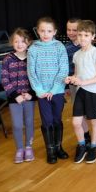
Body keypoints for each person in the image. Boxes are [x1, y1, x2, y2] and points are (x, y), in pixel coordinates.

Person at [27, 17, 69, 164]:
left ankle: (58, 147)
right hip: (42, 93)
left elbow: (63, 69)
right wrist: (40, 90)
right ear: (37, 31)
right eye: (42, 31)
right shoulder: (33, 49)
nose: (45, 34)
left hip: (57, 91)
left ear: (55, 32)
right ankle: (50, 150)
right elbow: (31, 72)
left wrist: (55, 89)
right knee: (47, 120)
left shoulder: (59, 47)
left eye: (49, 31)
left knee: (57, 119)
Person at [65, 20, 96, 164]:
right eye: (80, 35)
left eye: (86, 35)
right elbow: (77, 74)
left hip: (93, 93)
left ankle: (93, 147)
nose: (82, 38)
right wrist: (72, 78)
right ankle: (82, 145)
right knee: (76, 123)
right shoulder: (77, 55)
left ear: (92, 36)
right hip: (81, 92)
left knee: (93, 122)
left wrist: (83, 82)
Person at [1, 28, 36, 163]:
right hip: (14, 98)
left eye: (23, 41)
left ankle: (28, 147)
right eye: (16, 41)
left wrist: (31, 94)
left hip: (29, 97)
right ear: (12, 43)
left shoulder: (32, 58)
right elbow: (4, 79)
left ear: (28, 42)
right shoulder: (7, 59)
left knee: (29, 122)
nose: (20, 44)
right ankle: (19, 148)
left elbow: (36, 77)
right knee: (16, 125)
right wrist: (15, 95)